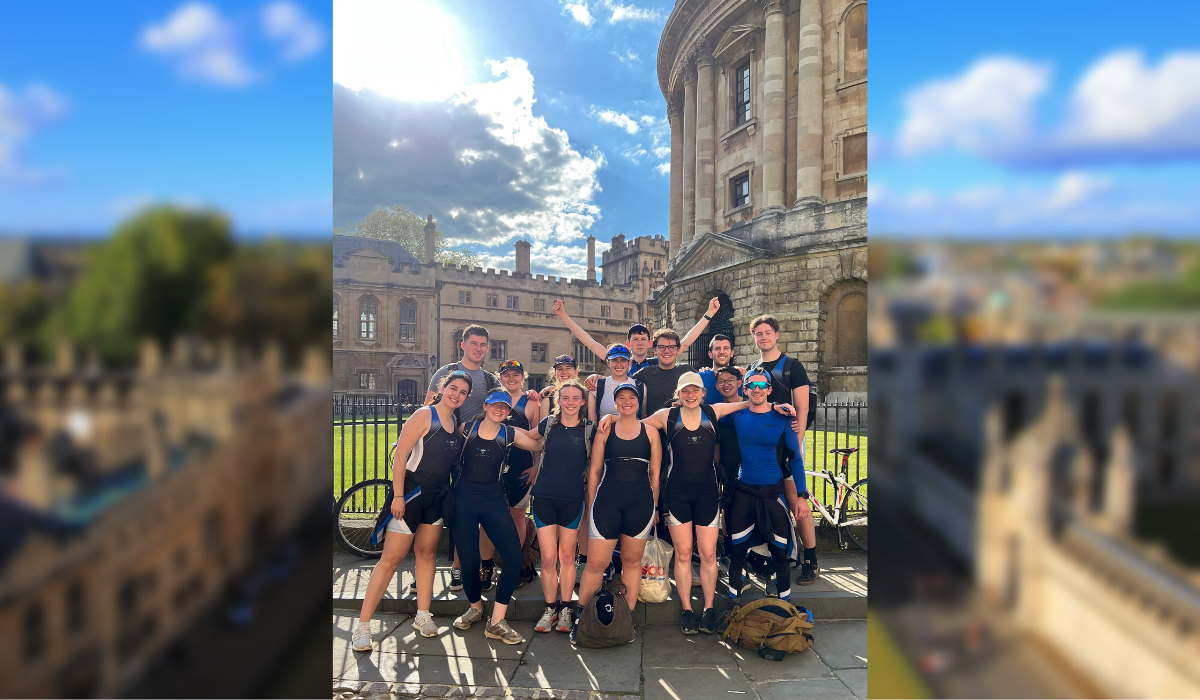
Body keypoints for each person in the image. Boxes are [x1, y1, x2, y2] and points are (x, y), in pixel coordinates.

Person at [605, 372, 793, 635]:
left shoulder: (713, 412)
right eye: (685, 391)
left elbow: (749, 402)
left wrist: (775, 406)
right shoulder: (667, 416)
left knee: (707, 554)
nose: (690, 395)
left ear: (703, 393)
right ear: (678, 394)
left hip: (707, 494)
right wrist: (609, 418)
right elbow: (634, 422)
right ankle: (686, 609)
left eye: (695, 390)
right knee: (682, 555)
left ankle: (707, 608)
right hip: (678, 494)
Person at [352, 373, 471, 652]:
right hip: (412, 494)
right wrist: (398, 495)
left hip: (437, 496)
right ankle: (363, 626)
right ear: (443, 388)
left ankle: (422, 615)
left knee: (427, 553)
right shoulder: (423, 415)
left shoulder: (455, 422)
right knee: (391, 559)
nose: (457, 394)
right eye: (453, 388)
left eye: (463, 392)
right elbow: (401, 457)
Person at [571, 382, 662, 643]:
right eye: (620, 398)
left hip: (640, 503)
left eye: (631, 397)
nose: (626, 401)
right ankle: (582, 617)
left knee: (632, 563)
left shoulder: (651, 432)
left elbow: (655, 474)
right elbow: (595, 471)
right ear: (615, 403)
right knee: (596, 565)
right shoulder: (605, 430)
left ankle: (625, 619)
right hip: (607, 501)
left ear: (638, 401)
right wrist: (590, 504)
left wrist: (654, 505)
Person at [450, 390, 543, 644]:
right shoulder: (466, 429)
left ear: (508, 412)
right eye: (495, 406)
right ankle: (476, 608)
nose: (499, 410)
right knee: (469, 562)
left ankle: (497, 620)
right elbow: (442, 448)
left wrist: (549, 420)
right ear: (485, 406)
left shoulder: (509, 433)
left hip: (493, 498)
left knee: (513, 557)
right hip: (464, 499)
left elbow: (538, 444)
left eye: (504, 407)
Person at [725, 370, 818, 607]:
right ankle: (732, 605)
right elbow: (705, 413)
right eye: (751, 384)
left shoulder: (784, 419)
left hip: (772, 495)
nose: (757, 388)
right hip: (744, 492)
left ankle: (785, 607)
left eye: (761, 385)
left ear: (769, 389)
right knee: (736, 555)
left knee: (780, 556)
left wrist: (802, 496)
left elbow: (795, 459)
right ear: (744, 389)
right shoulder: (736, 416)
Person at [746, 314, 820, 581]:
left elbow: (803, 407)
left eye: (767, 332)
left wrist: (798, 442)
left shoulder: (791, 366)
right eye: (758, 334)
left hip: (785, 443)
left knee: (797, 500)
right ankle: (776, 556)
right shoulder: (752, 369)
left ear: (776, 335)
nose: (763, 337)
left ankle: (811, 559)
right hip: (761, 445)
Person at [524, 380, 593, 633]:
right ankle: (550, 608)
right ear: (559, 401)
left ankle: (566, 608)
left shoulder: (589, 429)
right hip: (544, 498)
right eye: (566, 398)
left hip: (573, 499)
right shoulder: (549, 425)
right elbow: (527, 438)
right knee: (549, 557)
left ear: (583, 402)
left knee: (567, 557)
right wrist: (495, 428)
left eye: (576, 398)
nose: (571, 402)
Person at [554, 297, 722, 387]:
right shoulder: (619, 362)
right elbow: (590, 343)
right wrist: (563, 316)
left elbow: (685, 342)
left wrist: (708, 314)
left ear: (650, 344)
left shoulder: (658, 362)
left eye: (643, 339)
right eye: (635, 339)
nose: (640, 343)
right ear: (628, 344)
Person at [632, 329, 694, 418]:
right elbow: (621, 382)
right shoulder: (646, 373)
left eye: (671, 347)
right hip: (654, 428)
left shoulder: (686, 370)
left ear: (678, 350)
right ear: (655, 350)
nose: (667, 351)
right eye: (661, 347)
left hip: (682, 426)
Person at [588, 344, 637, 422]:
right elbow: (592, 423)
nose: (619, 364)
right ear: (608, 363)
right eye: (614, 360)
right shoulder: (597, 385)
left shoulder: (639, 386)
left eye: (623, 360)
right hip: (605, 433)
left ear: (629, 363)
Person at [697, 334, 741, 405]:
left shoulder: (742, 376)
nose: (722, 352)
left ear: (732, 353)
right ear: (710, 354)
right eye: (717, 349)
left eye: (726, 348)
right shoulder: (699, 378)